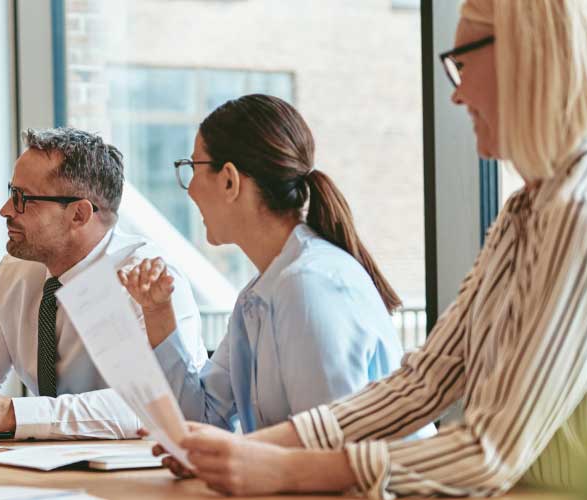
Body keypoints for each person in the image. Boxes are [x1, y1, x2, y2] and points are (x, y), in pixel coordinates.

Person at [148, 1, 587, 498]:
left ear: (527, 57)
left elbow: (490, 452)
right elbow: (425, 382)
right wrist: (253, 450)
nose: (455, 92)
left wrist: (283, 467)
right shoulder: (526, 211)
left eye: (461, 61)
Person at [117, 95, 433, 438]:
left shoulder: (309, 286)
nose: (189, 188)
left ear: (229, 181)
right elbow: (203, 419)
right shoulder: (260, 294)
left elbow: (329, 448)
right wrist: (159, 315)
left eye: (193, 167)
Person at [0, 127, 208, 440]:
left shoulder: (148, 279)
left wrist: (12, 413)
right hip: (48, 468)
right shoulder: (17, 270)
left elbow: (150, 406)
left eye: (23, 198)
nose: (5, 210)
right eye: (10, 193)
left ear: (79, 214)